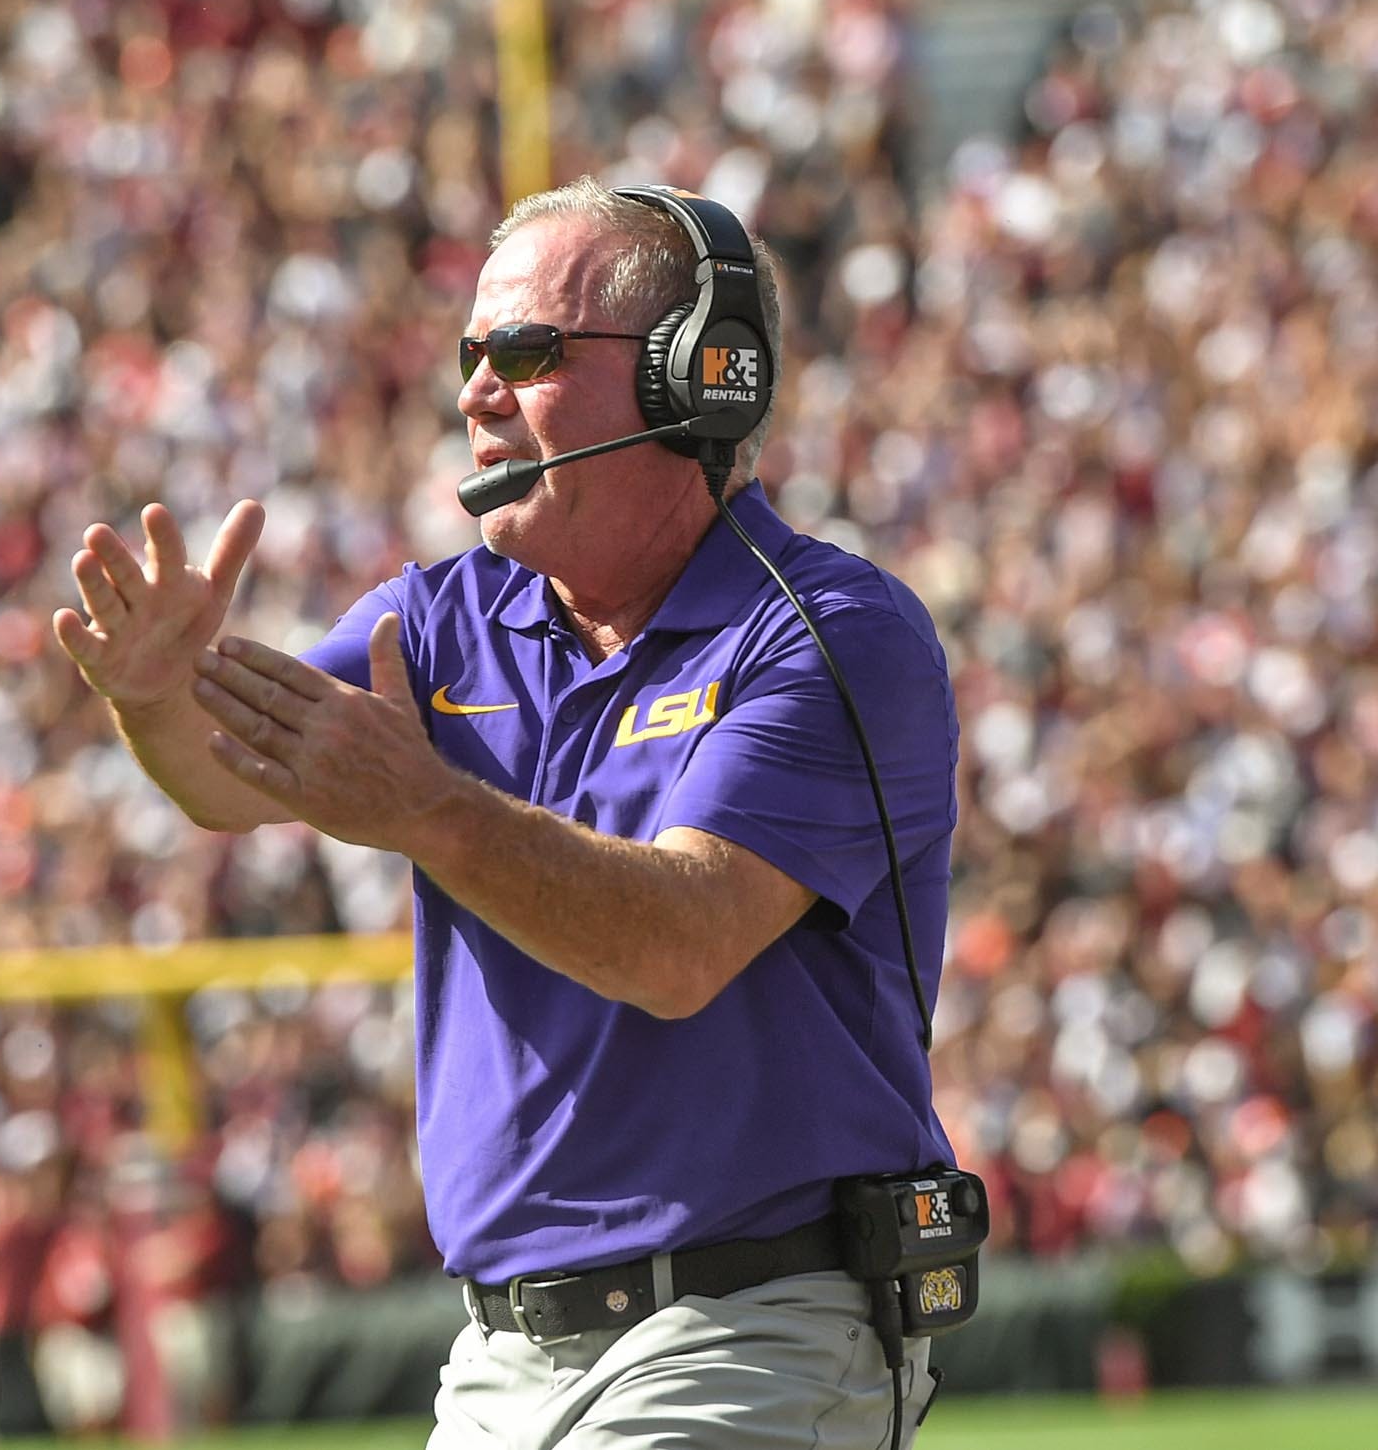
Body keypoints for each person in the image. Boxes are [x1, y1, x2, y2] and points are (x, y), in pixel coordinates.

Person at [56, 176, 961, 1447]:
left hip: (750, 1317)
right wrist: (150, 704)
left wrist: (432, 809)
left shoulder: (836, 632)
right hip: (501, 1348)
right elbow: (219, 776)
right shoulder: (437, 617)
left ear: (697, 377)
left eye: (528, 352)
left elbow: (676, 945)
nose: (476, 390)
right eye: (471, 353)